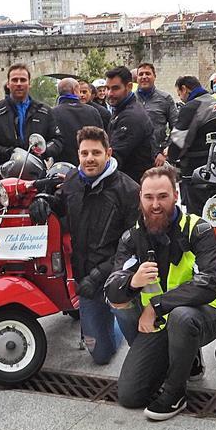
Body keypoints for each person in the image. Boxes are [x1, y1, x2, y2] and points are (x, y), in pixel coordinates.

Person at [105, 166, 216, 421]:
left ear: (176, 195)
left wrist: (157, 305)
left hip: (205, 314)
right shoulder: (132, 237)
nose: (155, 204)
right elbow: (112, 288)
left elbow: (212, 281)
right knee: (129, 396)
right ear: (140, 198)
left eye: (162, 196)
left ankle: (175, 393)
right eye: (149, 197)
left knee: (182, 318)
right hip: (161, 324)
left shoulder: (198, 229)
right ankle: (183, 358)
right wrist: (132, 282)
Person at [30, 126, 140, 364]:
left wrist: (101, 275)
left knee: (141, 346)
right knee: (100, 355)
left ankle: (127, 328)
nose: (89, 159)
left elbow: (135, 246)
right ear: (78, 155)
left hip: (119, 279)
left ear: (108, 153)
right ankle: (110, 329)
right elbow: (61, 205)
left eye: (96, 153)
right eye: (84, 153)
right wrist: (44, 200)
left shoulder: (129, 190)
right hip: (85, 279)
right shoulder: (72, 181)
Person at [0, 63, 62, 170]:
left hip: (37, 174)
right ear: (8, 84)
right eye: (15, 80)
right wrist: (8, 152)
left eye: (23, 80)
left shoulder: (44, 111)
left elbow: (57, 141)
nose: (19, 84)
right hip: (4, 174)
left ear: (30, 84)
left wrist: (43, 150)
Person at [168, 75, 216, 216]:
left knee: (197, 214)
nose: (181, 98)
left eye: (180, 94)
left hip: (196, 169)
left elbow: (179, 139)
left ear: (185, 89)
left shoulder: (192, 106)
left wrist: (171, 156)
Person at [105, 66, 156, 184]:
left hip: (131, 184)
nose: (109, 93)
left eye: (115, 88)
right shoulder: (122, 110)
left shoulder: (130, 117)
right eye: (107, 88)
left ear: (128, 87)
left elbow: (116, 156)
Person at [51, 78, 104, 165]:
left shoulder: (52, 113)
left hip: (63, 167)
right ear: (75, 90)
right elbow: (102, 139)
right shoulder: (92, 111)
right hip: (90, 164)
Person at [135, 63, 178, 167]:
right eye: (141, 74)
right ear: (137, 78)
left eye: (148, 74)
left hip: (157, 159)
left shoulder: (165, 99)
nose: (144, 77)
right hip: (134, 157)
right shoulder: (130, 99)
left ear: (154, 76)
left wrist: (164, 152)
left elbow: (177, 127)